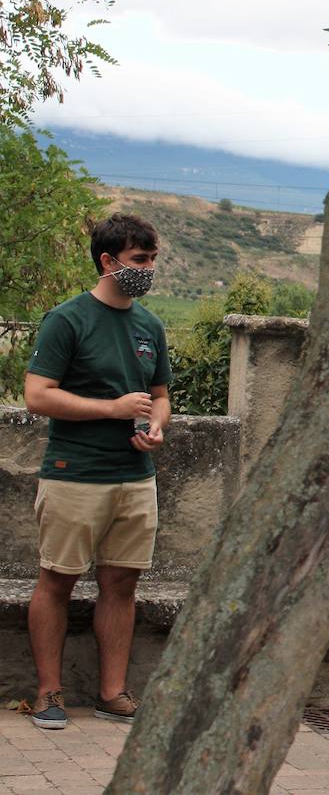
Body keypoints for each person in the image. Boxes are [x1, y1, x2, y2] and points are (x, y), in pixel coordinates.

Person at [23, 213, 171, 730]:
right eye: (139, 260)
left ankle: (113, 693)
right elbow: (37, 395)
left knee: (122, 586)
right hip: (73, 474)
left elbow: (160, 396)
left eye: (152, 259)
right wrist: (111, 409)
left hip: (135, 478)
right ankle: (48, 693)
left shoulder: (150, 325)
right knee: (56, 581)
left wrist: (156, 427)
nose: (148, 269)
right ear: (108, 261)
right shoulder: (66, 319)